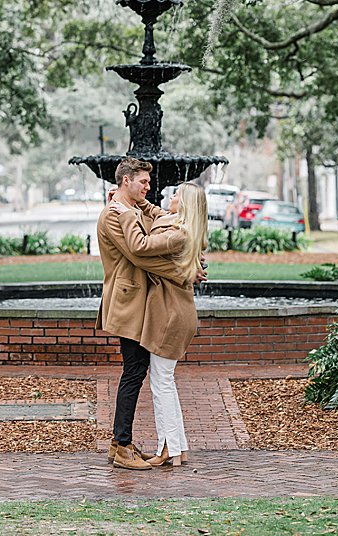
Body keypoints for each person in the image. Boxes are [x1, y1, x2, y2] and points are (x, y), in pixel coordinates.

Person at [96, 157, 190, 470]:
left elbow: (155, 234)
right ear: (126, 181)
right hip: (128, 302)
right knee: (134, 372)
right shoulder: (113, 215)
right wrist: (184, 273)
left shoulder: (131, 208)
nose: (149, 188)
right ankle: (122, 446)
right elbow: (141, 257)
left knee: (135, 372)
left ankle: (118, 442)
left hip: (138, 302)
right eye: (143, 183)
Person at [112, 182, 208, 467]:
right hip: (173, 313)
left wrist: (125, 213)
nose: (171, 196)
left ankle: (169, 449)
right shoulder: (177, 226)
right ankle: (177, 448)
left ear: (187, 204)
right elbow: (156, 211)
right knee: (165, 382)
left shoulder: (178, 235)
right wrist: (134, 204)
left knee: (162, 383)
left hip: (171, 316)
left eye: (177, 194)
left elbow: (140, 249)